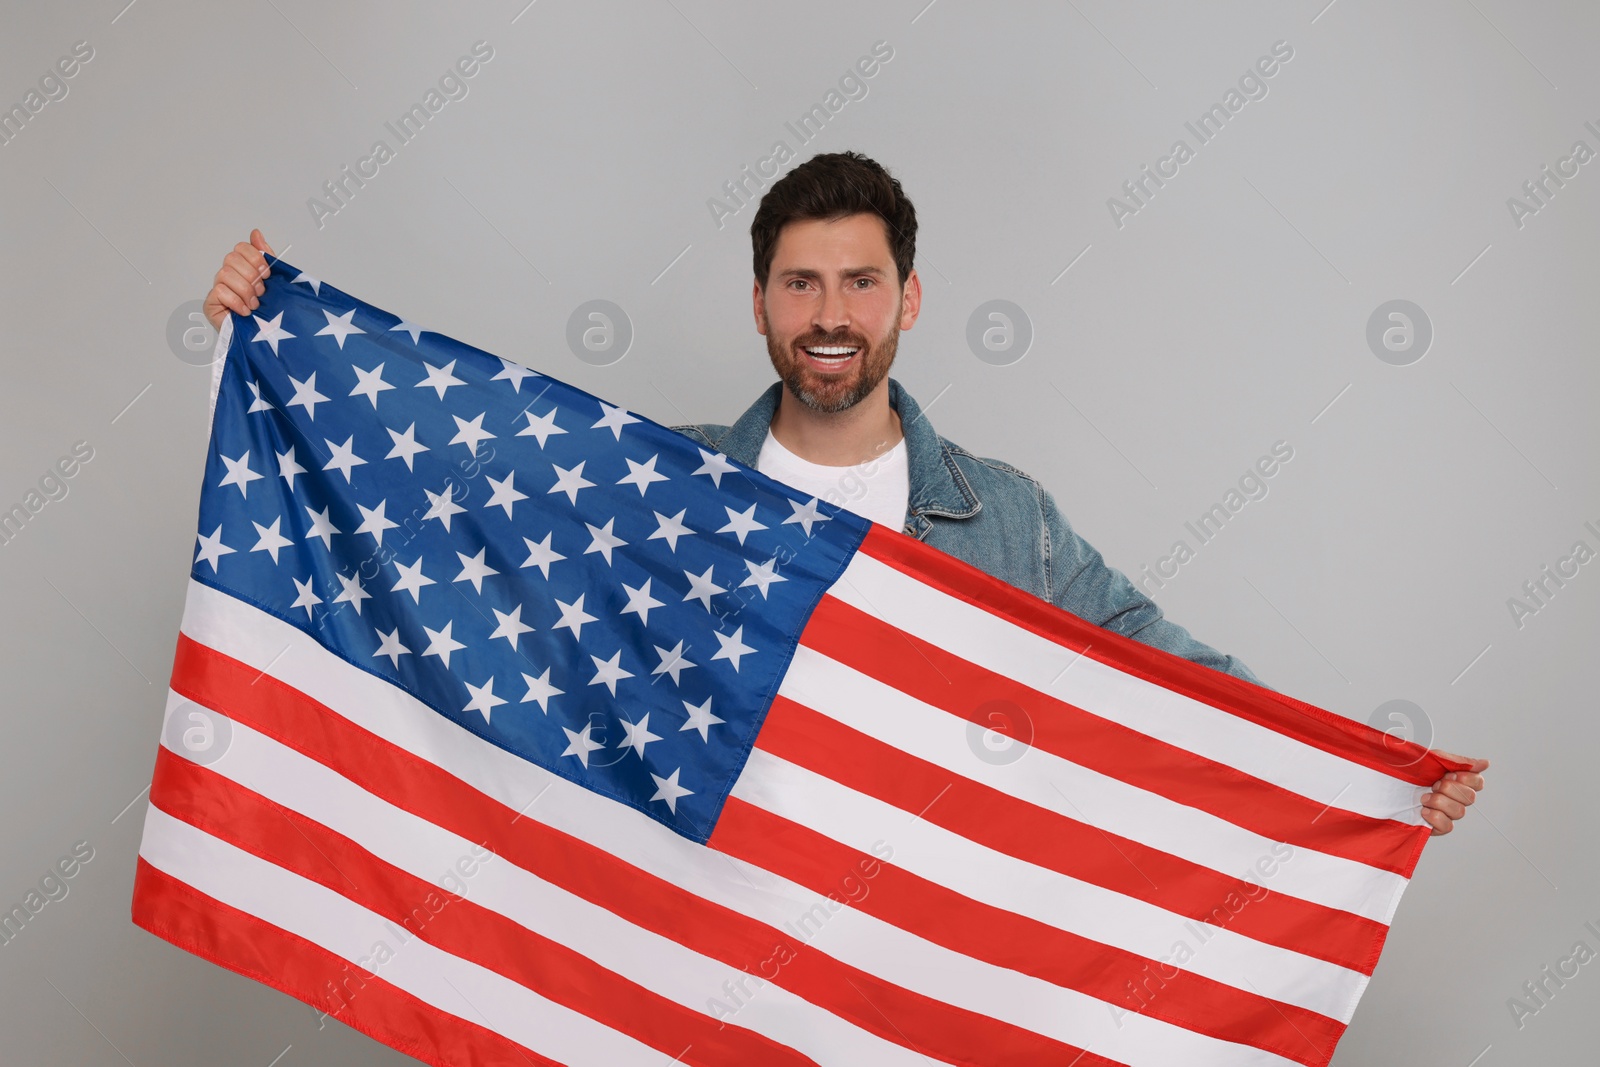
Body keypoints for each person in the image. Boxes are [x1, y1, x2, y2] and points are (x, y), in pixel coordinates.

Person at [201, 151, 1486, 834]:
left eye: (860, 283)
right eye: (802, 285)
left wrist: (1370, 776)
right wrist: (275, 342)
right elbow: (471, 508)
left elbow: (1169, 672)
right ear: (759, 302)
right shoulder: (673, 479)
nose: (831, 317)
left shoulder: (1008, 517)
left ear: (907, 302)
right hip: (708, 932)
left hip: (907, 957)